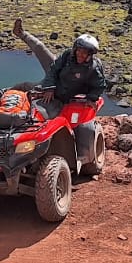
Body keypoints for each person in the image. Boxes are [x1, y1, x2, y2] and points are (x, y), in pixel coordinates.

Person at [12, 19, 108, 172]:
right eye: (79, 50)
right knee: (23, 86)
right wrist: (49, 88)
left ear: (90, 55)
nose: (81, 55)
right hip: (53, 85)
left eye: (85, 53)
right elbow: (52, 70)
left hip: (67, 96)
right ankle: (21, 34)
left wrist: (91, 98)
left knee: (45, 114)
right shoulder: (66, 56)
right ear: (75, 48)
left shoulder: (93, 68)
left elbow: (100, 85)